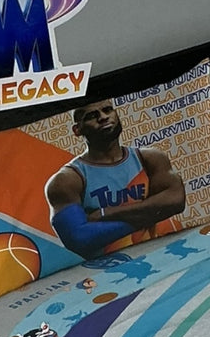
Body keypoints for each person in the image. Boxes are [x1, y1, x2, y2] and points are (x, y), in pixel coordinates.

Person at [45, 98, 186, 259]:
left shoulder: (150, 159)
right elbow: (79, 238)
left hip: (162, 254)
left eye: (107, 110)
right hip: (110, 266)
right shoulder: (67, 180)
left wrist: (106, 213)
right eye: (92, 116)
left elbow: (177, 200)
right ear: (77, 130)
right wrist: (151, 214)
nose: (103, 117)